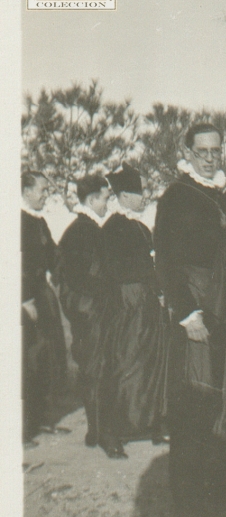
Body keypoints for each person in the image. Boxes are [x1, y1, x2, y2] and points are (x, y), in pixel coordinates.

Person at [154, 123, 226, 517]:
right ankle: (187, 500)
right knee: (194, 402)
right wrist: (187, 313)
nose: (209, 158)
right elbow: (167, 260)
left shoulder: (218, 194)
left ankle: (215, 489)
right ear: (187, 153)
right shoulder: (176, 196)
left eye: (216, 151)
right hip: (195, 308)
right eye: (202, 151)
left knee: (217, 400)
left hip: (221, 304)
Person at [58, 174, 125, 458]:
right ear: (92, 199)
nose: (107, 204)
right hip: (94, 311)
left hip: (86, 310)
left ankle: (95, 430)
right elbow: (79, 276)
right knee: (103, 370)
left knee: (91, 370)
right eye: (105, 198)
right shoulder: (86, 230)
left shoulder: (77, 228)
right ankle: (107, 436)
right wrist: (106, 292)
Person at [103, 163, 168, 445]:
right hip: (129, 301)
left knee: (153, 361)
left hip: (148, 300)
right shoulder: (113, 227)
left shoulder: (141, 226)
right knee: (129, 361)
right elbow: (114, 269)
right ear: (126, 196)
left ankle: (151, 424)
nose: (144, 197)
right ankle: (117, 431)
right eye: (139, 193)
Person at [21, 171, 67, 444]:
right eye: (42, 190)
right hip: (24, 298)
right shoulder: (15, 220)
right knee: (28, 362)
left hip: (41, 295)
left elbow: (53, 254)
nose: (45, 195)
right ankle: (23, 430)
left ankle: (43, 420)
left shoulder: (38, 221)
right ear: (26, 191)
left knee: (49, 358)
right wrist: (25, 300)